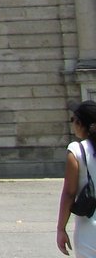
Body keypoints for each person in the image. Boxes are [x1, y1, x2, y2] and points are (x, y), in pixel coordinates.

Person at [58, 99, 96, 257]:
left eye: (73, 120)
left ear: (81, 124)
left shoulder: (77, 150)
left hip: (89, 231)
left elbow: (69, 193)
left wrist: (61, 229)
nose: (72, 124)